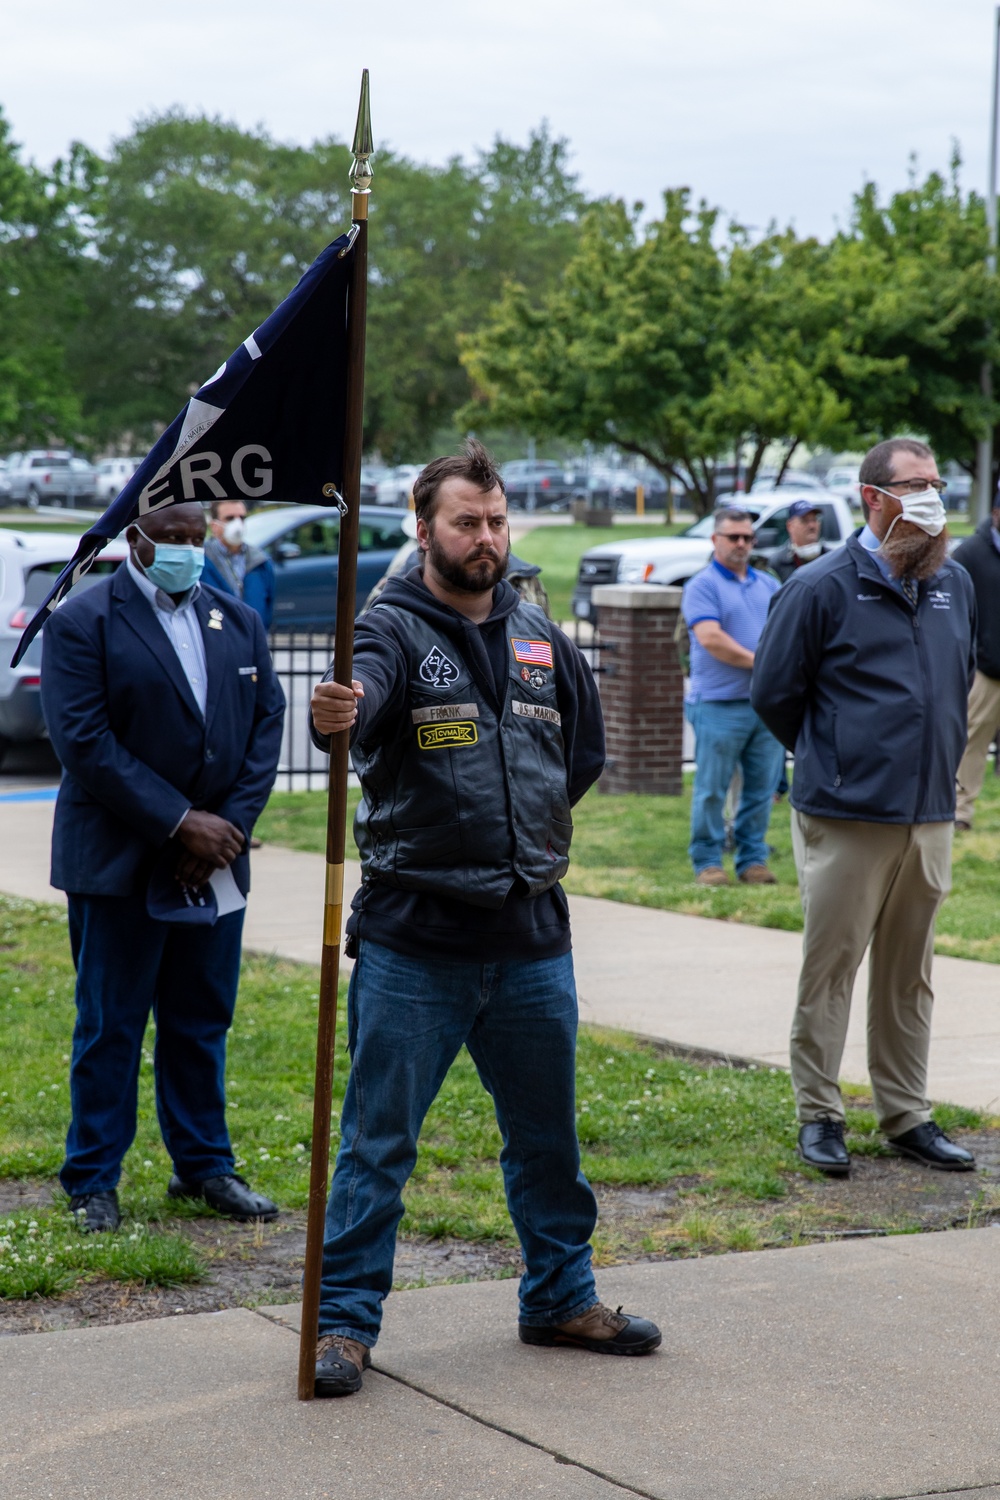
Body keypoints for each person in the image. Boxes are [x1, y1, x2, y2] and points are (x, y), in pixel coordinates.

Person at [308, 440, 661, 1397]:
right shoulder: (386, 627)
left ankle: (560, 1296)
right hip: (417, 943)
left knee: (549, 1139)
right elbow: (358, 700)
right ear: (425, 528)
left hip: (533, 939)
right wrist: (339, 710)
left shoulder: (542, 635)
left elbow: (577, 758)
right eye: (467, 521)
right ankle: (342, 1322)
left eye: (497, 520)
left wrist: (521, 835)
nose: (486, 538)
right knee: (377, 1144)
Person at [40, 502, 286, 1232]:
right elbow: (83, 741)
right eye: (168, 537)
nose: (184, 549)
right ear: (135, 539)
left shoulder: (237, 620)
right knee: (111, 1024)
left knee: (200, 1018)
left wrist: (226, 829)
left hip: (214, 860)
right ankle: (92, 1178)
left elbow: (266, 722)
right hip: (118, 860)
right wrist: (181, 823)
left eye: (194, 536)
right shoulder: (84, 621)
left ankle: (204, 1164)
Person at [751, 437, 976, 1178]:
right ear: (874, 499)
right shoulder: (820, 587)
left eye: (938, 483)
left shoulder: (955, 584)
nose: (932, 498)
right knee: (832, 967)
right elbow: (775, 694)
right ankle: (819, 1114)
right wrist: (838, 758)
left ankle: (906, 1113)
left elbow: (956, 680)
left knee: (910, 973)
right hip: (847, 816)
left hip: (931, 814)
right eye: (916, 485)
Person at [680, 507, 785, 887]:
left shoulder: (769, 585)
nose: (741, 543)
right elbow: (711, 640)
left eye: (747, 537)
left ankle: (752, 860)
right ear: (715, 540)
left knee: (761, 789)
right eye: (733, 537)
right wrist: (765, 664)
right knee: (711, 789)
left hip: (764, 706)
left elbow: (785, 634)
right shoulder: (702, 586)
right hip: (718, 706)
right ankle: (707, 863)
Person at [952, 498, 1000, 830]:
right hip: (987, 669)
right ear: (996, 513)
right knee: (971, 741)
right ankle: (960, 811)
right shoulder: (969, 553)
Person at [202, 499, 276, 629]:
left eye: (241, 518)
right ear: (214, 526)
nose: (238, 523)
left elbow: (267, 608)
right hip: (216, 639)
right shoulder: (201, 560)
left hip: (252, 639)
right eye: (230, 518)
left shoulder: (260, 561)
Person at [769, 500, 837, 583]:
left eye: (815, 520)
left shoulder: (831, 558)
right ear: (790, 526)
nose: (812, 526)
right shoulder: (777, 563)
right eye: (804, 521)